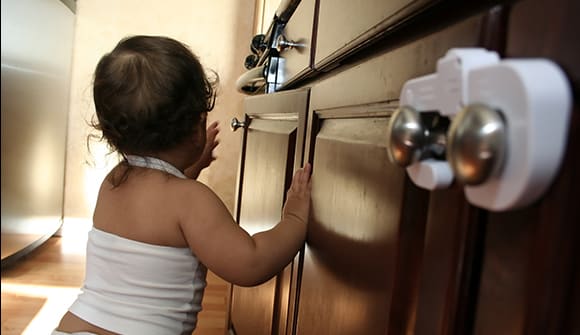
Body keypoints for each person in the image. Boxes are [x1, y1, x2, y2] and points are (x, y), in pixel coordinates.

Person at [54, 35, 311, 335]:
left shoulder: (112, 183)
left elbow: (160, 216)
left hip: (73, 326)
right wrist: (295, 219)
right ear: (195, 128)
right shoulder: (191, 200)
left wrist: (187, 169)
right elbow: (251, 263)